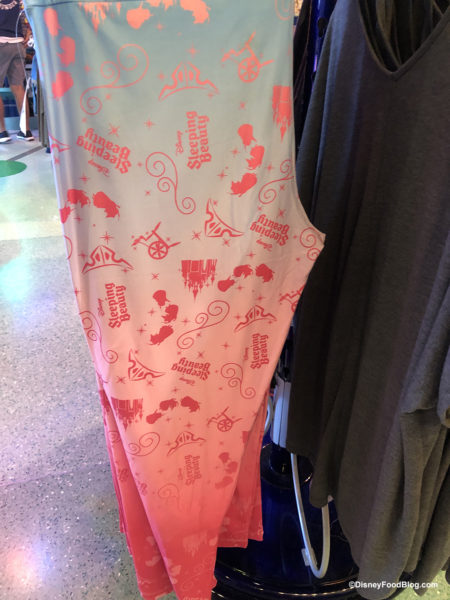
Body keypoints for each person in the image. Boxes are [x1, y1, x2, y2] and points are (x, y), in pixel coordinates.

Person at [0, 0, 34, 143]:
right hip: (18, 44)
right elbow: (28, 14)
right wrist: (29, 31)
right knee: (18, 87)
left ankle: (2, 132)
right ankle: (25, 131)